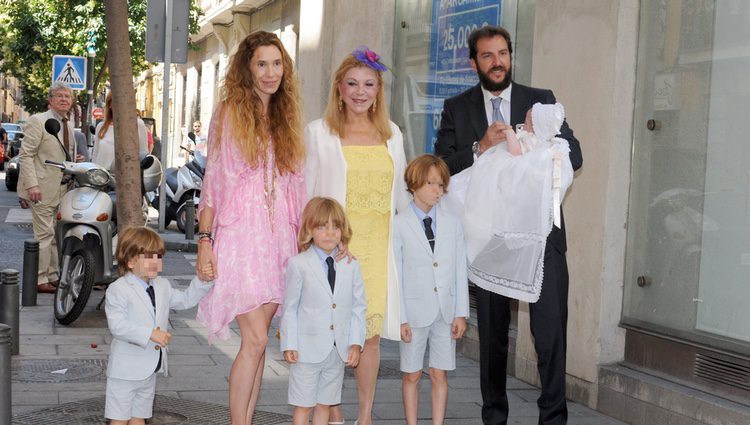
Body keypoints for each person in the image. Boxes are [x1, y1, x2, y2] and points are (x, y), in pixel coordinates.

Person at [434, 26, 583, 425]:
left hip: (541, 238)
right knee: (494, 340)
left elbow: (576, 155)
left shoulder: (542, 101)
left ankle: (554, 418)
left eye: (503, 53)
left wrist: (542, 150)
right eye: (487, 55)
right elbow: (440, 170)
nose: (497, 61)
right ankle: (494, 418)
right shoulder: (457, 107)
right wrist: (480, 147)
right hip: (489, 240)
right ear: (474, 62)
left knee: (550, 335)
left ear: (511, 56)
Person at [194, 31, 306, 425]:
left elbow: (298, 185)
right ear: (248, 67)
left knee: (258, 348)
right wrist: (205, 241)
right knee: (255, 339)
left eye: (277, 63)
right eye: (262, 63)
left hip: (280, 242)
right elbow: (213, 181)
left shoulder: (287, 116)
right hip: (241, 236)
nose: (270, 72)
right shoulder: (228, 113)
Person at [304, 46, 410, 425]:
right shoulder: (319, 132)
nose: (360, 92)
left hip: (379, 251)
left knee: (371, 337)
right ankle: (331, 407)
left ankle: (364, 416)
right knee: (331, 333)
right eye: (352, 84)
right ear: (339, 88)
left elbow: (402, 197)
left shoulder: (392, 134)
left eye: (369, 84)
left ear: (378, 90)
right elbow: (309, 196)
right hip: (337, 251)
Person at [104, 226, 213, 425]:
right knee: (119, 419)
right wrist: (150, 334)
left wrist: (203, 281)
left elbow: (185, 300)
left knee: (139, 417)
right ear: (129, 261)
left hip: (151, 368)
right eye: (147, 257)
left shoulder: (162, 285)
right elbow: (117, 326)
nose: (155, 262)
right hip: (125, 371)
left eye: (158, 257)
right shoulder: (118, 289)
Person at [393, 154, 469, 425]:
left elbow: (460, 268)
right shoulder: (399, 225)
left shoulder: (452, 223)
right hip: (413, 312)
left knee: (440, 373)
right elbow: (397, 274)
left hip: (445, 311)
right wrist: (400, 317)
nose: (437, 190)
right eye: (431, 184)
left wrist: (461, 312)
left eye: (441, 184)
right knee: (411, 374)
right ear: (414, 184)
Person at [280, 197, 366, 425]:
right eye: (322, 227)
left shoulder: (351, 265)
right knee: (303, 406)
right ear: (310, 230)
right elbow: (290, 308)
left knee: (324, 405)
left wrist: (356, 343)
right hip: (306, 350)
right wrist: (289, 343)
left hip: (337, 350)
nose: (330, 233)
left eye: (335, 227)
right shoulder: (298, 264)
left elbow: (358, 307)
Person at [17, 82, 84, 294]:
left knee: (56, 235)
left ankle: (53, 275)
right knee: (44, 234)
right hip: (42, 188)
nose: (64, 99)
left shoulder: (68, 125)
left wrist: (74, 160)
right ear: (50, 100)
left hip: (63, 189)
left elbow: (59, 155)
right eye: (60, 96)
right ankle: (39, 279)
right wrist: (32, 185)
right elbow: (26, 155)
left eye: (68, 96)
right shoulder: (38, 121)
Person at [91, 92, 149, 172]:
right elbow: (95, 154)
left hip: (127, 178)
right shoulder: (101, 126)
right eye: (116, 101)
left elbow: (143, 154)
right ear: (110, 105)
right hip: (101, 177)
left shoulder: (138, 125)